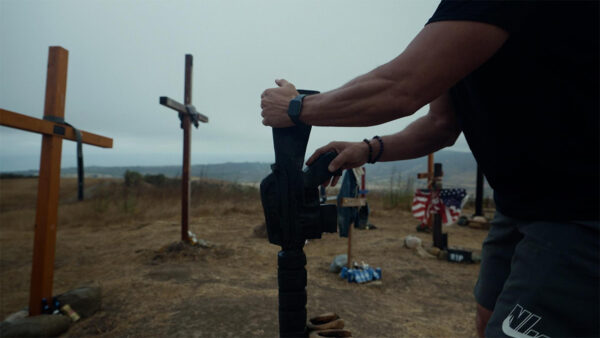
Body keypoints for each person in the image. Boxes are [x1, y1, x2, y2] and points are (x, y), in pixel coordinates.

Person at [260, 1, 599, 337]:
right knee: (488, 317)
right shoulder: (463, 17)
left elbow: (402, 86)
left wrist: (297, 107)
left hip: (578, 211)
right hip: (518, 206)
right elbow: (441, 124)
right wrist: (367, 149)